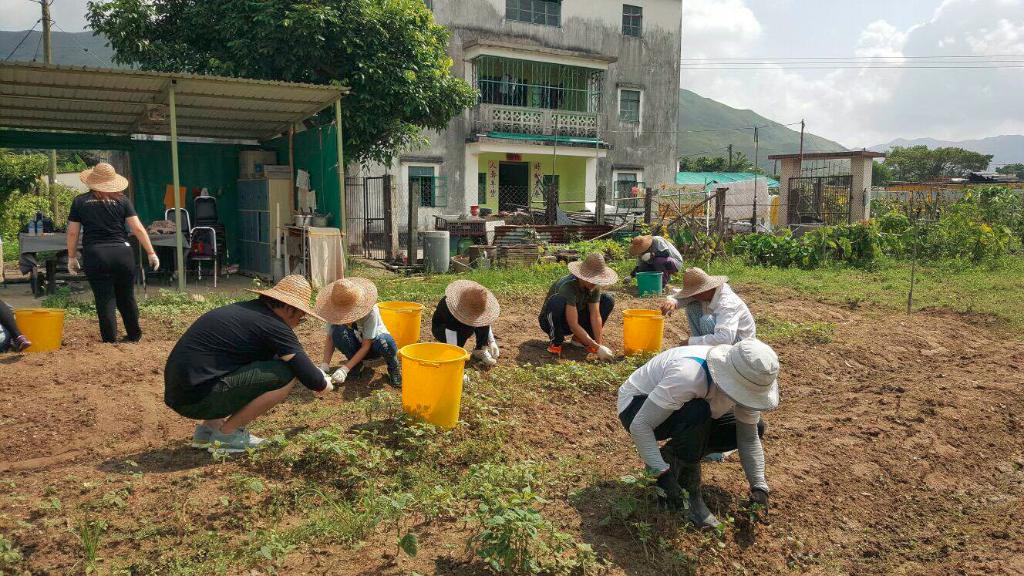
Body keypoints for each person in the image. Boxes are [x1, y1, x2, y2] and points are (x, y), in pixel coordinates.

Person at [617, 339, 779, 529]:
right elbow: (641, 425)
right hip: (637, 407)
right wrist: (660, 473)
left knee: (753, 427)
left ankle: (676, 457)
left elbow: (748, 437)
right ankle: (688, 486)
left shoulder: (750, 378)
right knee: (698, 411)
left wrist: (759, 486)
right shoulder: (689, 376)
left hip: (686, 408)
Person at [164, 275, 333, 453]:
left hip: (181, 394)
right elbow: (314, 381)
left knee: (248, 363)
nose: (300, 323)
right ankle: (227, 435)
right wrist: (324, 382)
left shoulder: (248, 312)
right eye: (301, 317)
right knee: (287, 373)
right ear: (290, 309)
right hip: (197, 400)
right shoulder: (274, 325)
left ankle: (209, 430)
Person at [66, 163, 159, 343]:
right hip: (122, 253)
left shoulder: (80, 201)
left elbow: (72, 232)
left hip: (96, 254)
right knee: (126, 296)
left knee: (104, 297)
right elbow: (138, 229)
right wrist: (151, 252)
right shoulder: (123, 201)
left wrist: (71, 257)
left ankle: (110, 339)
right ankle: (134, 335)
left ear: (92, 181)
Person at [317, 277, 401, 388]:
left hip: (373, 346)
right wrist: (324, 365)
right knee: (336, 331)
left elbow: (366, 346)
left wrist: (344, 369)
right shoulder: (333, 312)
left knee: (385, 342)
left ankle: (393, 368)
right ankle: (356, 365)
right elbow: (330, 338)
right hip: (355, 346)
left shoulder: (370, 312)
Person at [539, 252, 617, 360]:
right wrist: (597, 347)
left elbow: (595, 316)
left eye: (597, 279)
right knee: (556, 301)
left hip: (574, 316)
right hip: (554, 321)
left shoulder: (594, 287)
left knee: (608, 300)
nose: (594, 282)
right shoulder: (568, 286)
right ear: (583, 275)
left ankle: (579, 339)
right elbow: (573, 324)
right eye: (592, 279)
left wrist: (598, 345)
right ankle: (556, 341)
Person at [660, 267, 756, 346]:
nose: (692, 296)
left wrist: (691, 342)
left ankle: (706, 351)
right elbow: (684, 298)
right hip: (725, 336)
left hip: (740, 344)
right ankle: (701, 349)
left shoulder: (727, 303)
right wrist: (673, 302)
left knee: (707, 321)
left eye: (694, 293)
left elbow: (724, 338)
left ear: (704, 290)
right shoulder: (708, 293)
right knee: (693, 307)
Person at [432, 280, 501, 367]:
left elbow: (484, 321)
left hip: (458, 327)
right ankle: (455, 354)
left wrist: (491, 341)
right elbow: (451, 335)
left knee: (479, 320)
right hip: (442, 329)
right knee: (466, 329)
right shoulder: (448, 307)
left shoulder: (475, 303)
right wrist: (456, 362)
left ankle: (480, 350)